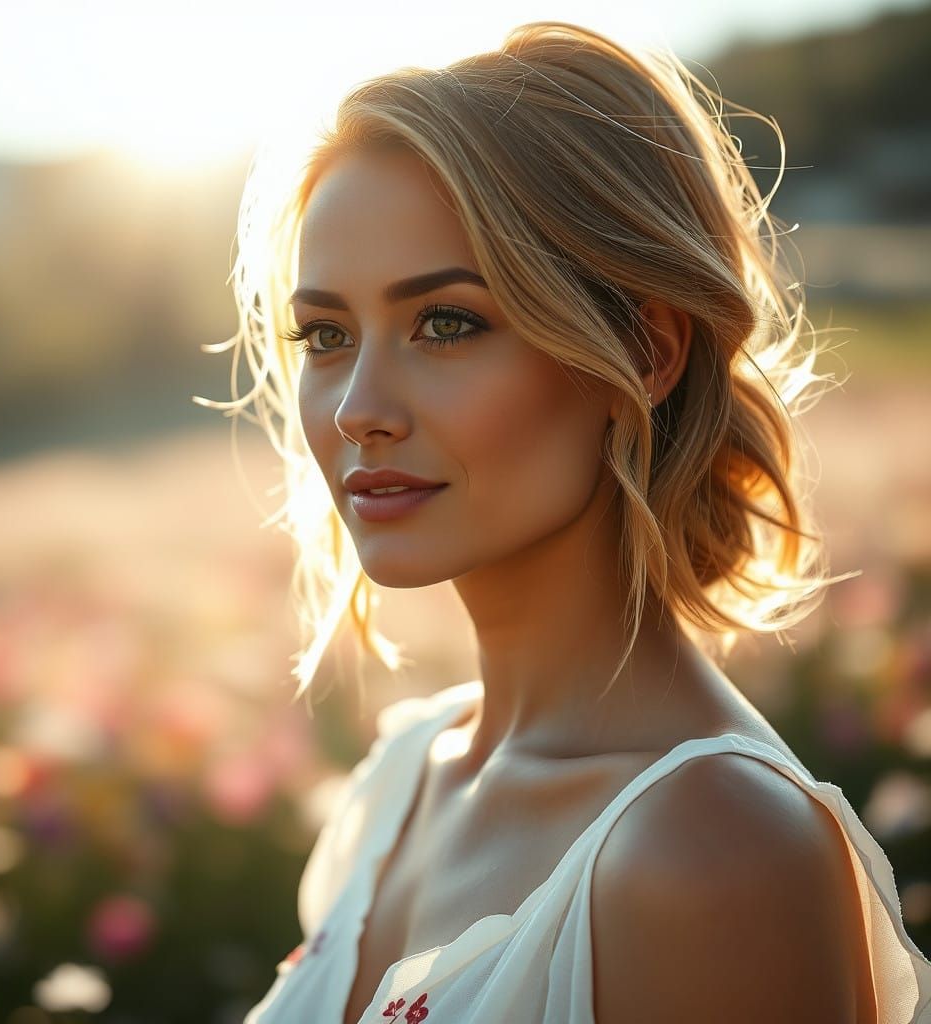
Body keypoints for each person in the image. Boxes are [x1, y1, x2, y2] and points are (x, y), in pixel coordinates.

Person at [200, 20, 931, 1024]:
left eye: (445, 322)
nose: (358, 406)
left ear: (643, 350)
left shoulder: (713, 854)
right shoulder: (400, 781)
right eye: (326, 334)